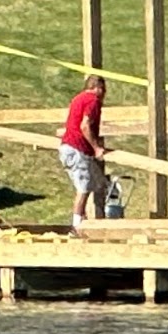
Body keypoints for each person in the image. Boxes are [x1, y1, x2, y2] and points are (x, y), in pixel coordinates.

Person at [59, 74, 108, 225]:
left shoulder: (78, 98)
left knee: (98, 182)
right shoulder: (92, 101)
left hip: (68, 148)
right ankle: (76, 226)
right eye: (104, 89)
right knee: (83, 188)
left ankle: (85, 219)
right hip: (77, 149)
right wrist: (96, 148)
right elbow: (84, 125)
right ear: (98, 88)